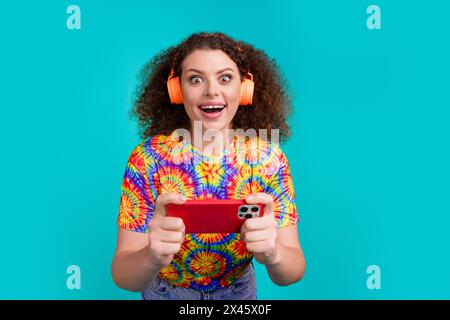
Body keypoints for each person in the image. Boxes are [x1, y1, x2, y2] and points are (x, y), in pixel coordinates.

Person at [111, 32, 306, 300]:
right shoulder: (148, 159)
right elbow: (123, 276)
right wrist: (151, 257)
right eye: (195, 79)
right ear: (177, 90)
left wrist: (274, 253)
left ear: (244, 88)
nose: (211, 91)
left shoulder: (269, 161)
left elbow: (292, 272)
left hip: (239, 294)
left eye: (225, 78)